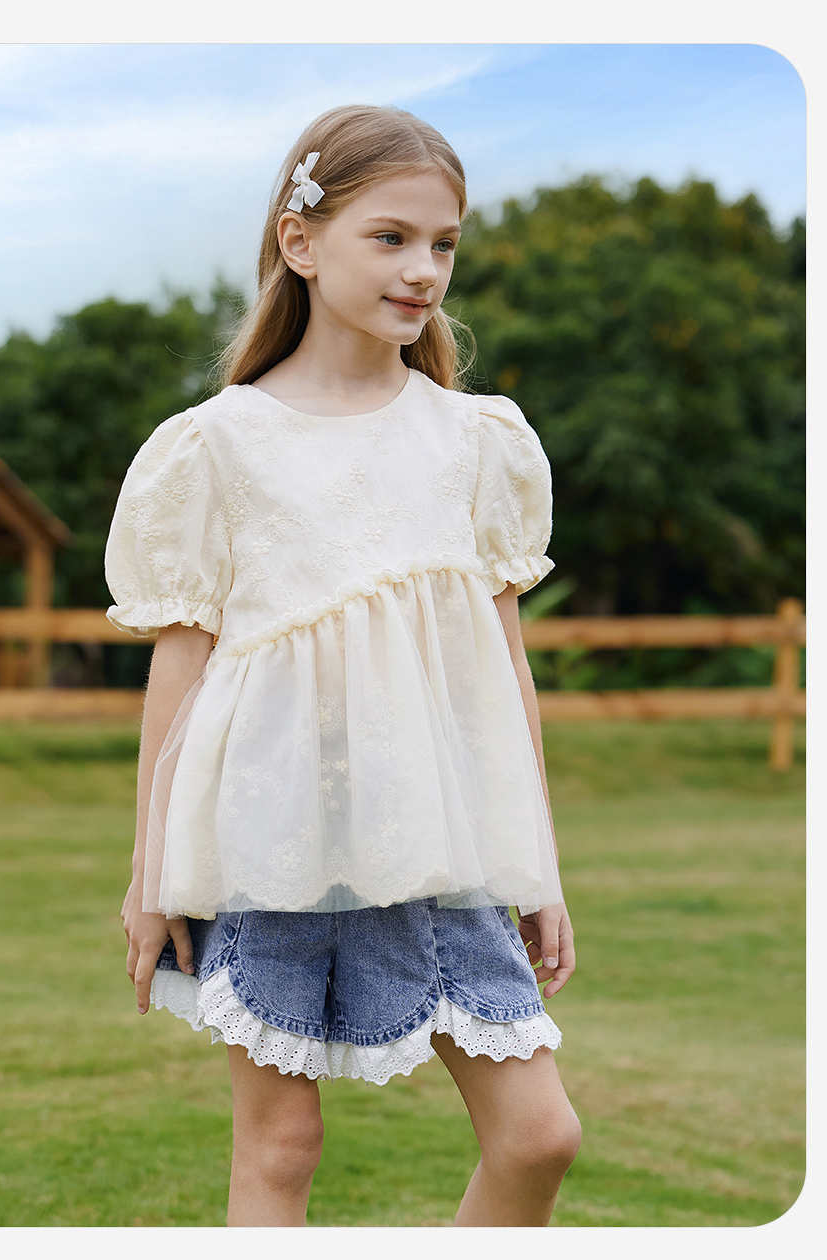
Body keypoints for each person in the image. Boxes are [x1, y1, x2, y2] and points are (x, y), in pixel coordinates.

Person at [105, 103, 581, 1228]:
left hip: (443, 849)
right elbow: (181, 678)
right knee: (280, 1148)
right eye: (391, 237)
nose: (424, 270)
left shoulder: (477, 442)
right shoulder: (216, 445)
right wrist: (149, 873)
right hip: (267, 845)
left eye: (443, 244)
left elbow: (504, 678)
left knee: (540, 1136)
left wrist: (539, 864)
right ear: (301, 242)